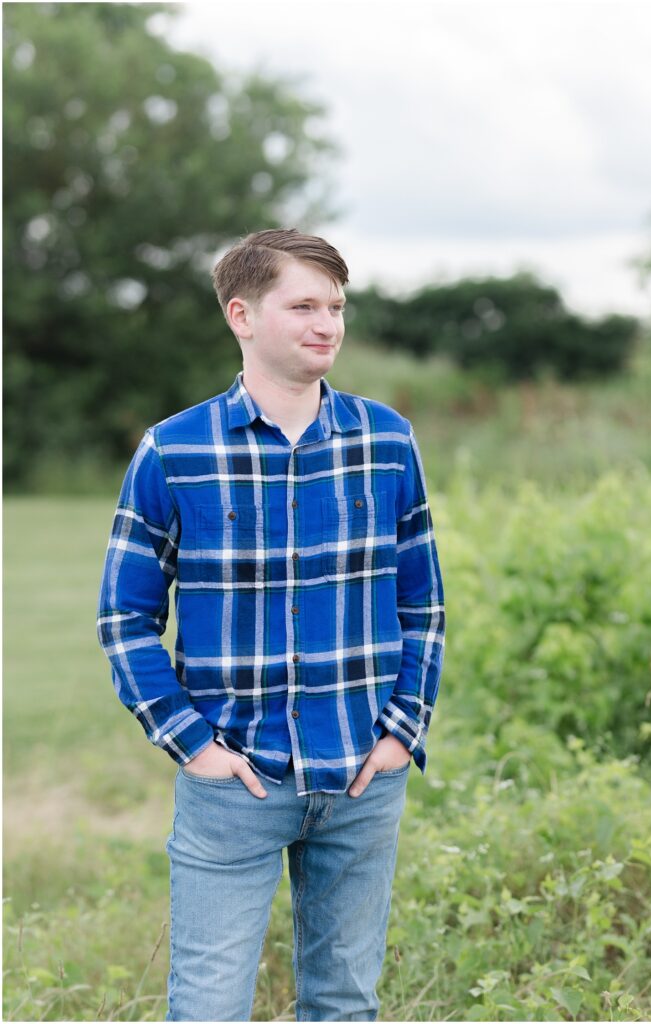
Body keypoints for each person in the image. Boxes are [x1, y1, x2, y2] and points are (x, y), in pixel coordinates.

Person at [97, 228, 446, 1022]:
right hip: (235, 785)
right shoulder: (174, 450)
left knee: (345, 1005)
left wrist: (402, 731)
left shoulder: (386, 440)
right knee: (209, 1008)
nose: (326, 324)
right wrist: (193, 744)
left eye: (336, 307)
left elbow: (422, 602)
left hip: (363, 775)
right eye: (303, 306)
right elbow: (124, 617)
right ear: (242, 315)